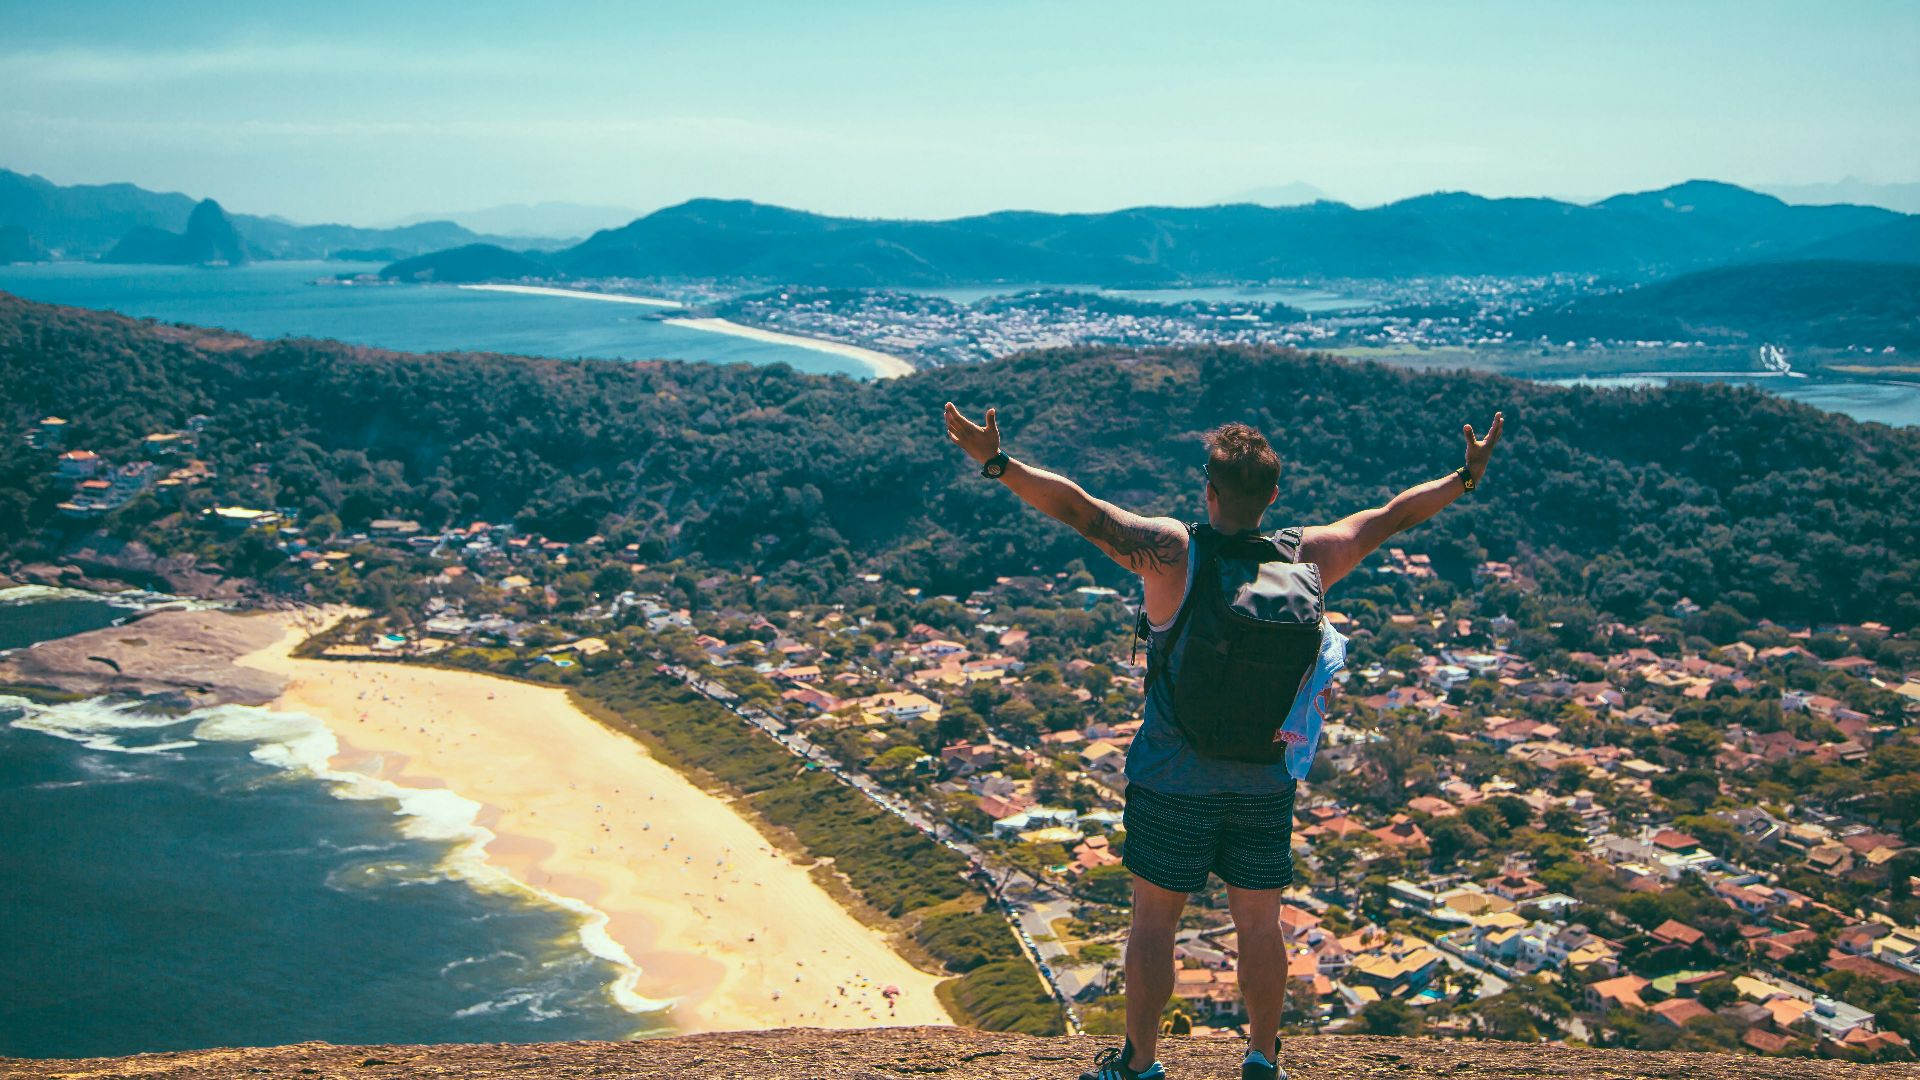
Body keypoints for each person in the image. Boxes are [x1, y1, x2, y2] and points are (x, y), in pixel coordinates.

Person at [942, 403, 1505, 1080]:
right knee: (1260, 926)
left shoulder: (1174, 553)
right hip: (1265, 775)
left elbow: (1079, 510)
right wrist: (1463, 479)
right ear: (1273, 496)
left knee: (1154, 923)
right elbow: (1392, 518)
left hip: (1173, 773)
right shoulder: (1310, 558)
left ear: (1208, 492)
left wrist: (997, 463)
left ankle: (1141, 1065)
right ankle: (1262, 1058)